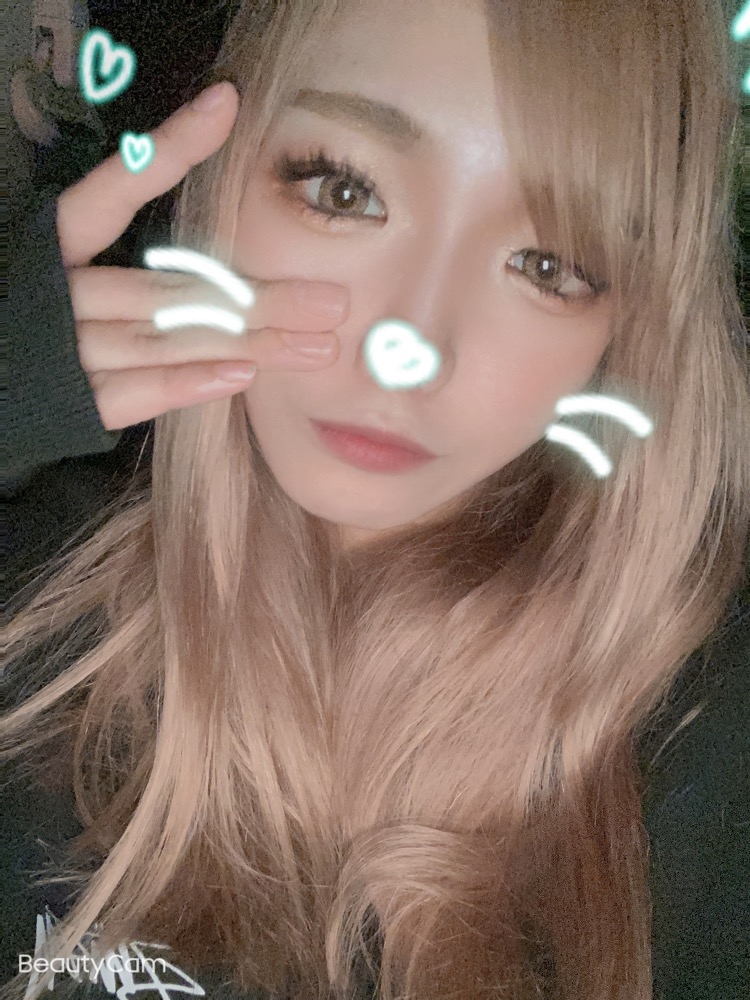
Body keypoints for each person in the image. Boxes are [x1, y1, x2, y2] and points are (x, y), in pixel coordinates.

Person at [2, 0, 749, 998]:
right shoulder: (38, 600)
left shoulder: (703, 744)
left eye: (548, 265)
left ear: (628, 329)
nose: (414, 350)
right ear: (220, 175)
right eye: (343, 189)